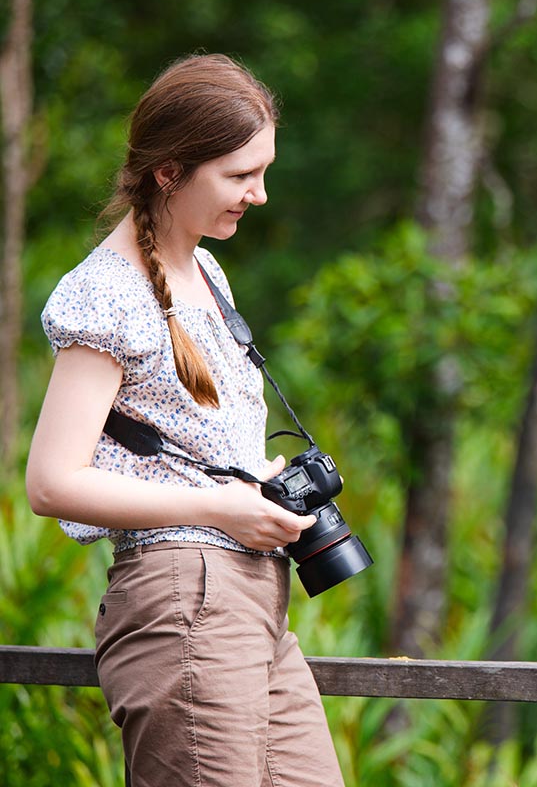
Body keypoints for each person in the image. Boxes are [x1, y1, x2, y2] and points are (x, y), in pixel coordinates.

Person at [25, 53, 345, 786]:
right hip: (184, 600)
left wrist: (254, 486)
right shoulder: (106, 292)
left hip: (254, 602)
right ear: (169, 172)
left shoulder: (206, 271)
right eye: (240, 176)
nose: (259, 194)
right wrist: (220, 507)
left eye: (263, 172)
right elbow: (51, 482)